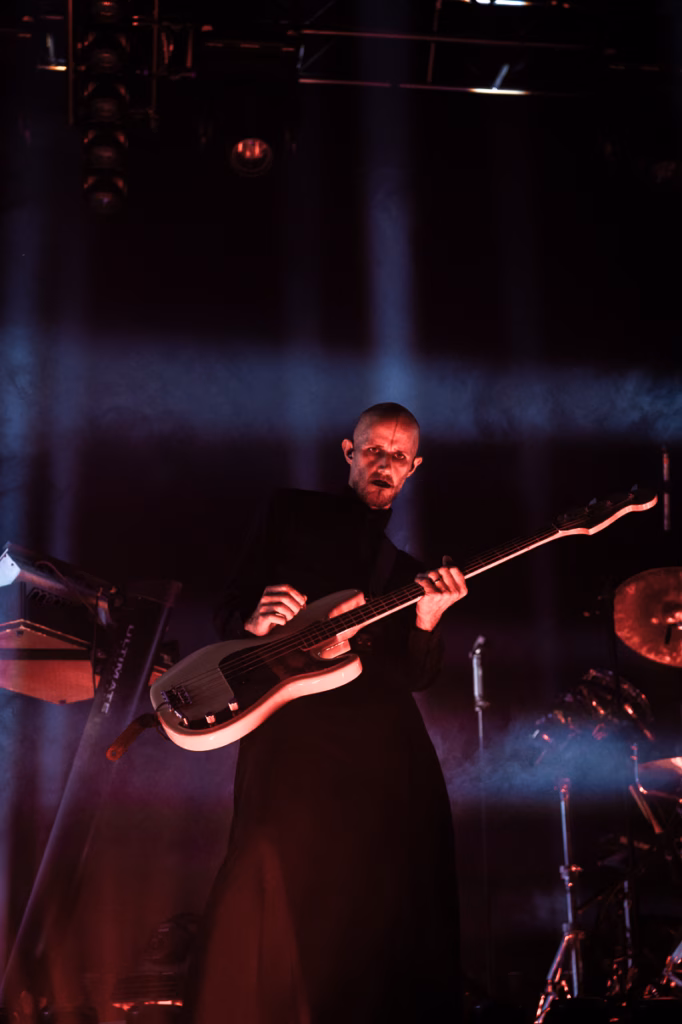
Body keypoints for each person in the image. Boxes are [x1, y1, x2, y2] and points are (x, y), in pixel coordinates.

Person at [183, 403, 468, 1024]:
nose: (385, 464)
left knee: (385, 893)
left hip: (381, 747)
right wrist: (253, 619)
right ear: (349, 452)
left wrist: (427, 621)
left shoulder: (407, 573)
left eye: (398, 456)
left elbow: (411, 678)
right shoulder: (289, 513)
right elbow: (228, 608)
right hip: (292, 730)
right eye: (374, 450)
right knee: (270, 867)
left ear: (414, 468)